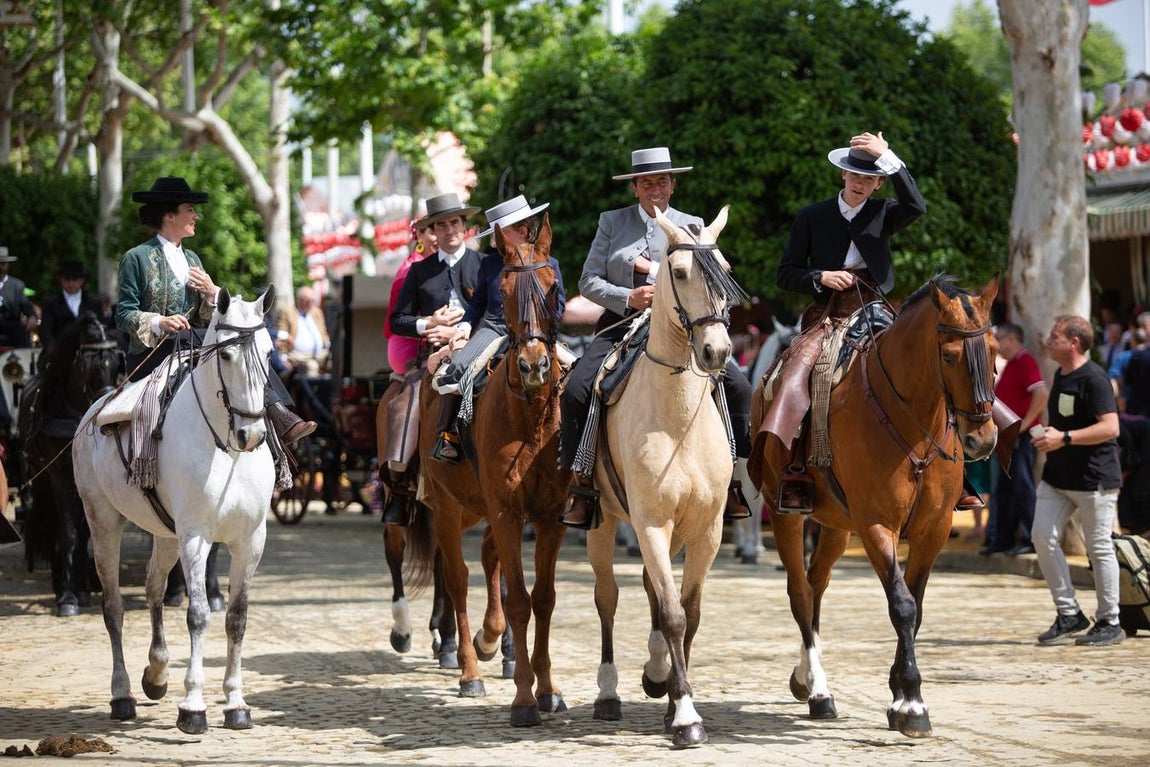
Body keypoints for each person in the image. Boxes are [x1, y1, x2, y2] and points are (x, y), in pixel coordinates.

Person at [558, 147, 753, 529]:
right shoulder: (611, 222)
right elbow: (588, 281)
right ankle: (581, 484)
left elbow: (711, 281)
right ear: (634, 188)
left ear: (673, 184)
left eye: (662, 181)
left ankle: (730, 480)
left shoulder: (695, 224)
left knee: (740, 387)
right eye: (647, 182)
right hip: (623, 323)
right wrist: (626, 296)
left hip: (683, 327)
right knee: (577, 388)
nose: (655, 189)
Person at [768, 131, 929, 511]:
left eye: (868, 179)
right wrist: (819, 277)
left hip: (877, 308)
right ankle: (792, 467)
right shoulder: (811, 216)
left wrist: (888, 154)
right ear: (842, 175)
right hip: (827, 312)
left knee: (930, 362)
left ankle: (953, 470)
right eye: (853, 175)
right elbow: (785, 273)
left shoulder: (886, 211)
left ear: (878, 183)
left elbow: (917, 205)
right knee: (794, 374)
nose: (859, 183)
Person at [117, 175, 315, 444]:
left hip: (192, 344)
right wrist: (159, 322)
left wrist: (212, 293)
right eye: (190, 210)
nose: (196, 216)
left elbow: (205, 316)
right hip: (154, 353)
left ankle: (278, 415)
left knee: (243, 344)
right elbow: (124, 314)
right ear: (169, 215)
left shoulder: (192, 258)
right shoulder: (136, 257)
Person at [430, 194, 566, 462]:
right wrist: (466, 325)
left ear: (523, 230)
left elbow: (558, 306)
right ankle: (448, 436)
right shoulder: (490, 263)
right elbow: (478, 301)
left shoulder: (548, 262)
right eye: (495, 235)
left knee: (577, 372)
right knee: (458, 368)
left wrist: (543, 327)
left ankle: (568, 436)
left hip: (537, 331)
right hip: (495, 327)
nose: (495, 240)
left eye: (501, 233)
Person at [381, 192, 484, 524]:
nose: (449, 230)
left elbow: (496, 313)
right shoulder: (419, 272)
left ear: (464, 227)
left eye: (454, 222)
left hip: (479, 350)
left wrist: (463, 333)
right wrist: (429, 325)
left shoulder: (483, 266)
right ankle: (400, 483)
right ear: (432, 233)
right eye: (441, 225)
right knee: (404, 401)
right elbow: (397, 320)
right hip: (430, 357)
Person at [1031, 315, 1124, 647]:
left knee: (1099, 548)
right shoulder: (1061, 373)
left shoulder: (1095, 379)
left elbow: (1111, 428)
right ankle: (1069, 613)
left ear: (1074, 342)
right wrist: (1048, 437)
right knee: (1042, 537)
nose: (1049, 341)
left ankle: (1110, 620)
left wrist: (1065, 438)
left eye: (1056, 337)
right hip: (1059, 478)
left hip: (1094, 479)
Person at [981, 323, 1048, 556]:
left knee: (1023, 487)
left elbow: (1041, 393)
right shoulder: (1013, 364)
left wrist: (1024, 425)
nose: (997, 344)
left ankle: (1031, 538)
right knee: (1004, 489)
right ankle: (1003, 538)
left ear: (1011, 339)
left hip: (1023, 436)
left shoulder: (1025, 360)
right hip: (1009, 437)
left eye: (999, 338)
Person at [38, 260, 105, 354]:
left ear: (82, 280)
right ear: (61, 279)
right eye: (67, 279)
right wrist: (52, 347)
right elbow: (45, 330)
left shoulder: (94, 303)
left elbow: (101, 328)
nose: (71, 283)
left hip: (89, 353)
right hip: (59, 354)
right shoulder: (50, 303)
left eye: (75, 279)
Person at [275, 285, 331, 376]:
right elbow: (281, 334)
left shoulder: (316, 312)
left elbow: (324, 333)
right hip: (298, 356)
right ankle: (314, 390)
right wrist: (283, 358)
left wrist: (330, 345)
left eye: (313, 301)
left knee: (338, 361)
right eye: (308, 301)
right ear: (299, 301)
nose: (311, 304)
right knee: (312, 366)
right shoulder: (288, 312)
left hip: (320, 354)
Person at [0, 246, 39, 348]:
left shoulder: (17, 285)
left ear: (7, 265)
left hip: (11, 322)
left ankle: (24, 361)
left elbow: (25, 304)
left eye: (3, 263)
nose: (1, 266)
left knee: (21, 331)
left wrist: (31, 316)